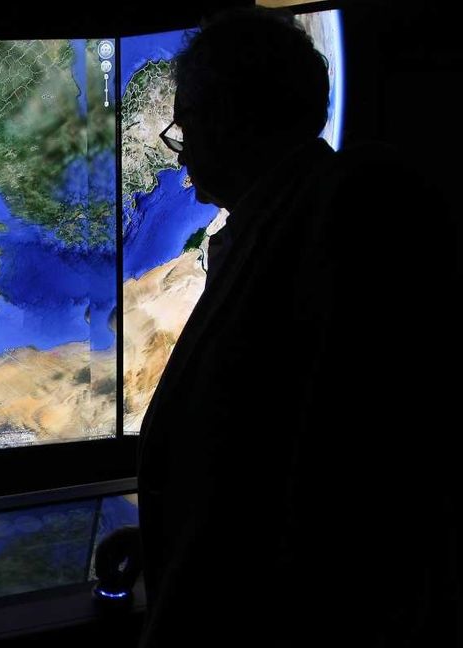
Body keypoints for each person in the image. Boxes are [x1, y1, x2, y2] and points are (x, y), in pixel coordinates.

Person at [130, 7, 459, 647]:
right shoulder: (270, 223)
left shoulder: (358, 205)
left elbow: (328, 484)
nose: (181, 148)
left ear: (233, 118)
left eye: (185, 126)